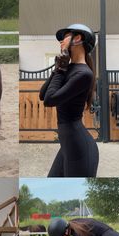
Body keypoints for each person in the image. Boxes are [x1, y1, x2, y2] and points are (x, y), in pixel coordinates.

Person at [39, 24, 99, 177]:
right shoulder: (69, 67)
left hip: (79, 148)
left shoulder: (84, 74)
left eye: (64, 37)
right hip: (67, 145)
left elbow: (50, 100)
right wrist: (59, 67)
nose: (60, 42)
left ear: (77, 38)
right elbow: (42, 94)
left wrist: (60, 69)